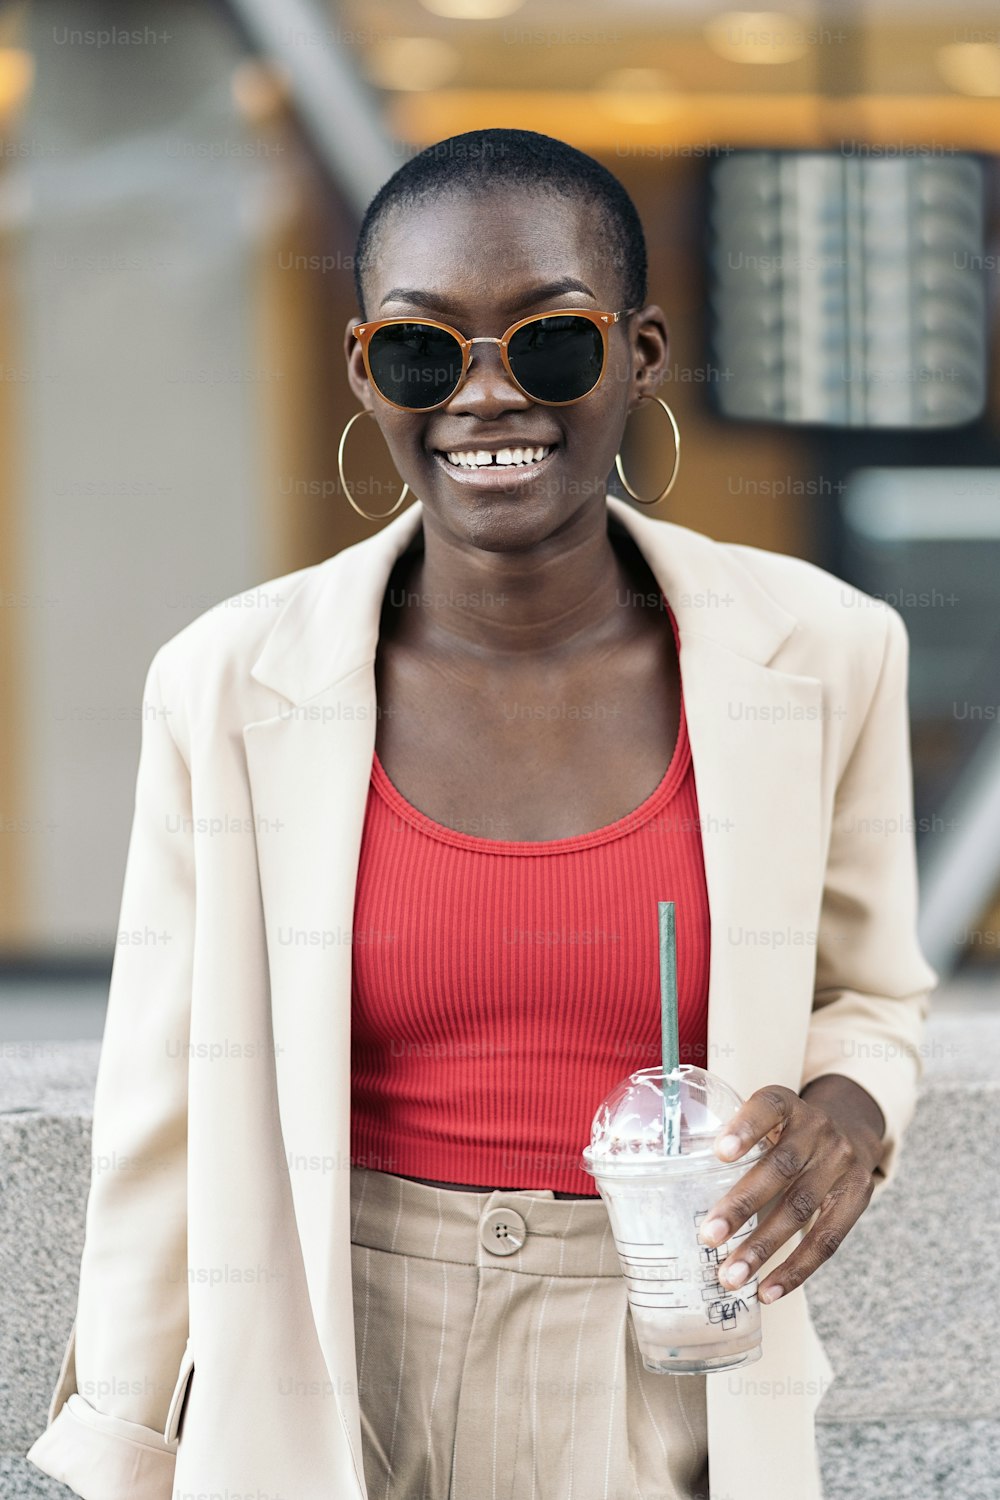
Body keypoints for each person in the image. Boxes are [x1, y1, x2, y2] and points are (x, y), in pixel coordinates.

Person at [26, 128, 937, 1500]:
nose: (488, 396)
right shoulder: (228, 681)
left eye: (551, 343)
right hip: (329, 1363)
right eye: (424, 351)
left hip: (665, 1366)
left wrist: (856, 1109)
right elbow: (166, 1094)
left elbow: (873, 989)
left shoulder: (823, 652)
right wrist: (128, 1442)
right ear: (366, 371)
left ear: (638, 353)